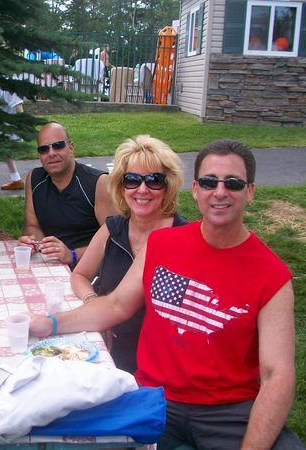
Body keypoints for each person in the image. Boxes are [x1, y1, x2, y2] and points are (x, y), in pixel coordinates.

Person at [30, 140, 304, 449]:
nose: (220, 192)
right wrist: (50, 323)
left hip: (228, 411)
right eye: (210, 182)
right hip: (155, 397)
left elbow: (277, 375)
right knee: (53, 426)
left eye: (233, 183)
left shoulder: (272, 275)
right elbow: (115, 306)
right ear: (196, 189)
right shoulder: (162, 244)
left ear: (250, 191)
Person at [70, 135, 187, 373]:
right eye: (132, 180)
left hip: (166, 359)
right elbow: (79, 275)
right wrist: (95, 305)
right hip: (113, 350)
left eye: (154, 180)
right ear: (121, 187)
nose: (142, 189)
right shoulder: (113, 229)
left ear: (168, 187)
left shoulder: (184, 236)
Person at [18, 122, 115, 266]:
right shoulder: (35, 179)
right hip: (51, 264)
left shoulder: (98, 183)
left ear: (71, 148)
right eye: (44, 149)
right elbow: (33, 225)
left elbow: (115, 241)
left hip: (90, 268)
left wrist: (73, 255)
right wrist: (34, 243)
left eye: (58, 145)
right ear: (39, 155)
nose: (51, 153)